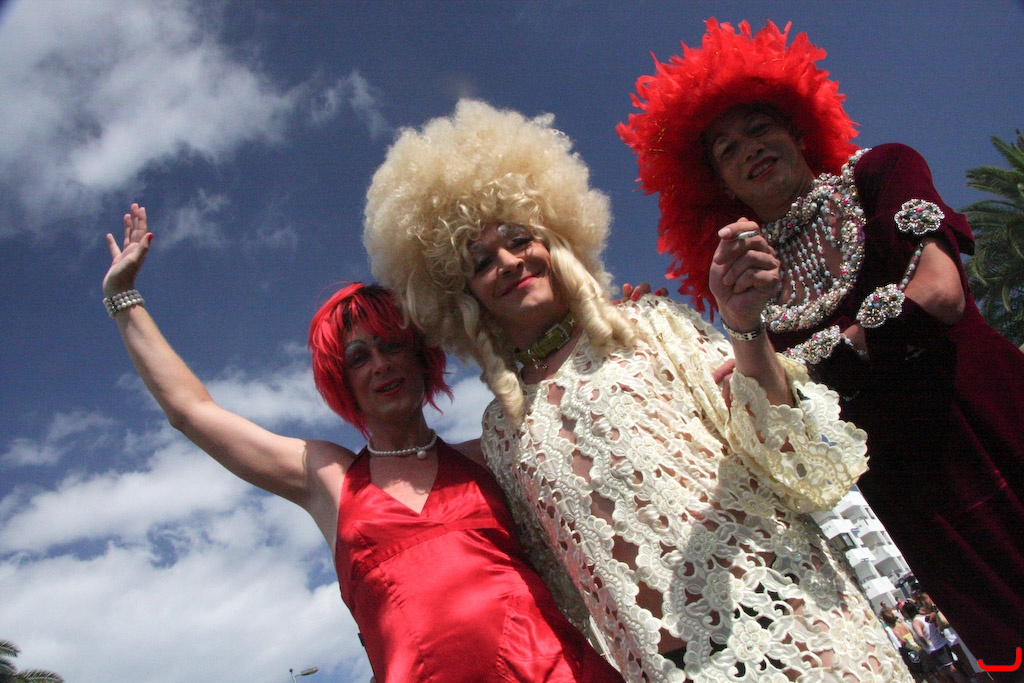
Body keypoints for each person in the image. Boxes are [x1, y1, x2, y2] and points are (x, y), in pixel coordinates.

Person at [363, 99, 912, 682]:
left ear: (556, 242)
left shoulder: (649, 323)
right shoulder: (501, 431)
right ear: (464, 296)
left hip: (798, 624)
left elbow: (792, 454)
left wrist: (744, 328)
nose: (508, 262)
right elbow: (563, 586)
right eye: (481, 261)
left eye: (520, 239)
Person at [617, 18, 1024, 671]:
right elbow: (778, 415)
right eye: (726, 149)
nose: (748, 149)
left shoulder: (884, 169)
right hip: (916, 502)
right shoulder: (751, 290)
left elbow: (939, 294)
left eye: (759, 128)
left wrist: (810, 365)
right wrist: (724, 326)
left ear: (799, 131)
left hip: (998, 416)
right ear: (720, 186)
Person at [102, 204, 623, 682]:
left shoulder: (490, 453)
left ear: (420, 357)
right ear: (341, 382)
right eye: (358, 358)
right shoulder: (328, 478)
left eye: (392, 346)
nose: (381, 366)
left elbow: (599, 433)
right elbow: (191, 412)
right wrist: (124, 299)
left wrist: (621, 332)